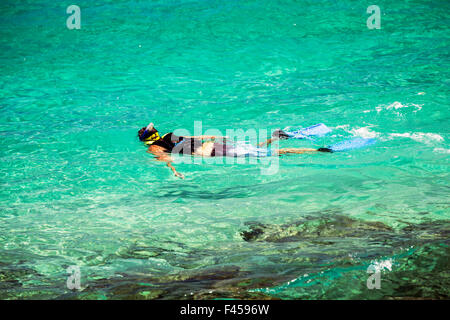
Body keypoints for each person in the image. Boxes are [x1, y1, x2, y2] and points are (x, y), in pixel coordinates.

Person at [138, 123, 332, 179]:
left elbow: (165, 160)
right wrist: (217, 137)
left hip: (216, 153)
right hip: (216, 146)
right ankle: (276, 136)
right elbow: (198, 138)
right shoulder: (172, 133)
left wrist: (174, 172)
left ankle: (319, 150)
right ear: (156, 132)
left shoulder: (153, 148)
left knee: (273, 154)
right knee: (254, 150)